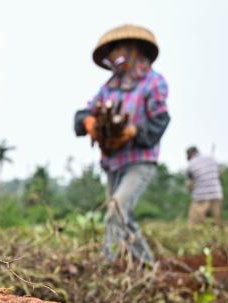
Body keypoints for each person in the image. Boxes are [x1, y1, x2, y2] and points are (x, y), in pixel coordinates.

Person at [74, 25, 170, 265]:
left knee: (115, 210)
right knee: (122, 217)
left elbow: (160, 120)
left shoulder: (153, 82)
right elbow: (86, 111)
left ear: (132, 48)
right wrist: (88, 122)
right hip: (112, 160)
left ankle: (107, 267)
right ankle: (149, 268)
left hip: (139, 161)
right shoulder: (109, 87)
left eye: (116, 49)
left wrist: (132, 131)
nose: (112, 55)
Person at [185, 146, 223, 224]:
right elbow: (219, 173)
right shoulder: (211, 159)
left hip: (201, 197)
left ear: (189, 155)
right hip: (216, 194)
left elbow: (190, 183)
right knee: (215, 223)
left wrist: (189, 188)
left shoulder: (190, 165)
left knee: (195, 225)